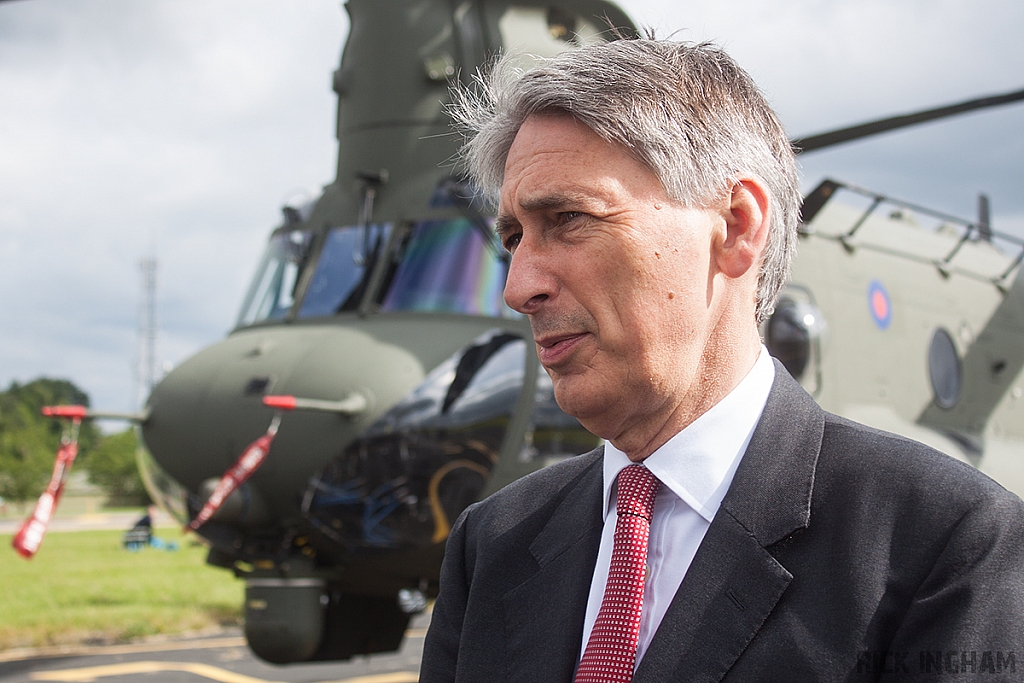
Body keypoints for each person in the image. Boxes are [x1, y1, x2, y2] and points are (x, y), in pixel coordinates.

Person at [420, 37, 1024, 682]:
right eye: (513, 237)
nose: (518, 288)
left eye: (569, 219)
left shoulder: (946, 541)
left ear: (735, 226)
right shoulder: (493, 543)